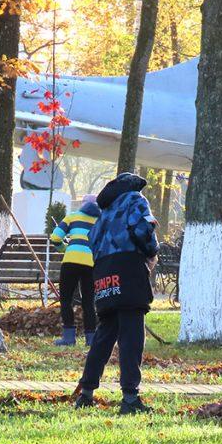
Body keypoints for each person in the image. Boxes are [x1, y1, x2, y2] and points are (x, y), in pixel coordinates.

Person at [75, 172, 159, 415]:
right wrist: (151, 250)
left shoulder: (106, 210)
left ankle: (86, 393)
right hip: (129, 268)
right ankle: (130, 398)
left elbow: (92, 240)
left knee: (105, 333)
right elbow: (142, 228)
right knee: (132, 335)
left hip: (104, 273)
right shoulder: (135, 199)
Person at [50, 194, 101, 346]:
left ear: (82, 205)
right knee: (88, 302)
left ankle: (69, 338)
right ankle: (91, 339)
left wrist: (64, 249)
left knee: (66, 300)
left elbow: (55, 237)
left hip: (71, 262)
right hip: (90, 264)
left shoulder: (72, 217)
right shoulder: (100, 220)